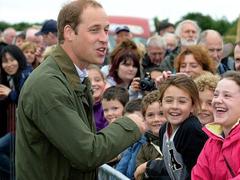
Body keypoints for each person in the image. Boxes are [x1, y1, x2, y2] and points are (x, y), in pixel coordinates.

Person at [15, 1, 145, 179]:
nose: (104, 38)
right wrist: (131, 123)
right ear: (69, 33)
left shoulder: (73, 76)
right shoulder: (48, 84)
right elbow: (87, 153)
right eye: (94, 30)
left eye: (106, 30)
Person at [155, 75, 208, 180]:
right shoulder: (164, 130)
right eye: (169, 100)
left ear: (193, 106)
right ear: (161, 104)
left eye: (182, 101)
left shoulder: (191, 129)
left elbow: (198, 174)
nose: (175, 106)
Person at [0, 45, 32, 178]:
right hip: (15, 130)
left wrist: (10, 94)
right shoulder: (10, 78)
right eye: (5, 61)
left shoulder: (27, 75)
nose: (9, 64)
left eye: (12, 60)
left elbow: (28, 103)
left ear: (19, 59)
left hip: (24, 132)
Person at [134, 90, 167, 180]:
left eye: (161, 114)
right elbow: (138, 175)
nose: (156, 119)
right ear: (144, 119)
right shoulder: (145, 148)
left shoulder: (178, 140)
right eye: (150, 115)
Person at [86, 64, 109, 131]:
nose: (93, 84)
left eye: (97, 80)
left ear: (104, 83)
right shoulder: (78, 105)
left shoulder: (110, 105)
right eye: (88, 81)